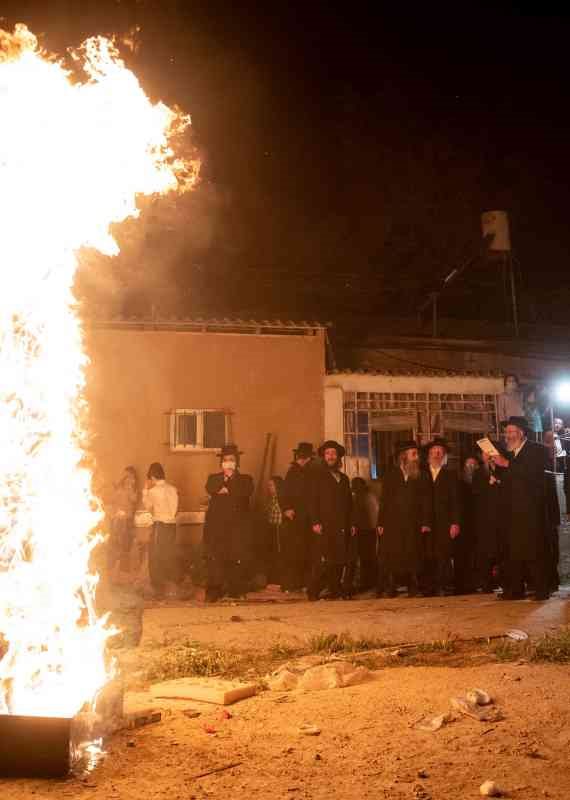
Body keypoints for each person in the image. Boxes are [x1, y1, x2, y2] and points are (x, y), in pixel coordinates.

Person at [492, 416, 551, 601]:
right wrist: (493, 464)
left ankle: (541, 590)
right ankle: (514, 590)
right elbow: (505, 476)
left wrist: (507, 464)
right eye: (506, 432)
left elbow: (532, 473)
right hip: (511, 511)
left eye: (511, 432)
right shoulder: (508, 453)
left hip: (530, 510)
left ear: (521, 432)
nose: (507, 436)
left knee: (534, 550)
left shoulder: (537, 450)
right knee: (513, 551)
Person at [376, 440, 431, 598]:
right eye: (413, 454)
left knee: (413, 554)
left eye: (417, 454)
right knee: (393, 553)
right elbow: (384, 500)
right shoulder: (390, 475)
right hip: (393, 523)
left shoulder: (422, 475)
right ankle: (391, 586)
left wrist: (426, 522)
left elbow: (426, 501)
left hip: (414, 522)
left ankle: (413, 586)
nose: (416, 457)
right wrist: (381, 522)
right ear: (403, 457)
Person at [203, 444, 254, 602]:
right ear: (221, 463)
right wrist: (224, 482)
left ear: (237, 462)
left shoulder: (246, 479)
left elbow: (244, 492)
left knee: (235, 558)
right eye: (225, 460)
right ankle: (214, 590)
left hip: (237, 527)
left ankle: (235, 589)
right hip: (217, 528)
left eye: (231, 460)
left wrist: (227, 486)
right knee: (216, 558)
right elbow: (211, 488)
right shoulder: (213, 478)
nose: (228, 463)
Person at [308, 440, 352, 600]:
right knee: (322, 560)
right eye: (328, 454)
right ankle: (312, 592)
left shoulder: (344, 479)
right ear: (323, 457)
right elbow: (312, 501)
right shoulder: (317, 477)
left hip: (341, 525)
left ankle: (335, 589)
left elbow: (349, 503)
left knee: (339, 559)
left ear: (338, 456)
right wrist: (315, 522)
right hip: (324, 524)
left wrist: (351, 523)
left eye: (334, 453)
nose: (331, 456)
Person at [422, 438, 461, 596]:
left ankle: (444, 586)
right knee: (427, 555)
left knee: (444, 555)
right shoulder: (421, 473)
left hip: (445, 522)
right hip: (425, 522)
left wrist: (455, 523)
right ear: (429, 454)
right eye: (434, 452)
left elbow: (456, 501)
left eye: (440, 452)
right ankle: (428, 587)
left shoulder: (451, 475)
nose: (437, 455)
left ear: (444, 455)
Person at [280, 442, 316, 591]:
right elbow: (284, 493)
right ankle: (293, 584)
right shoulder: (292, 472)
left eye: (305, 457)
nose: (302, 460)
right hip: (294, 518)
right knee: (294, 551)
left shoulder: (315, 472)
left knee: (310, 550)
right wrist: (287, 508)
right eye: (300, 457)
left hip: (311, 517)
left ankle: (309, 584)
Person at [142, 462, 179, 598]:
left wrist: (145, 490)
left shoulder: (153, 491)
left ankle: (158, 588)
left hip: (160, 525)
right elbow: (175, 510)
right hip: (172, 525)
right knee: (169, 553)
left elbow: (147, 506)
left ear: (152, 476)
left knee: (156, 556)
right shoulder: (173, 489)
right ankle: (171, 586)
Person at [472, 449, 506, 592]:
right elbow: (475, 491)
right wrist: (488, 483)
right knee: (485, 552)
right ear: (482, 456)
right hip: (485, 518)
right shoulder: (479, 472)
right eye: (485, 454)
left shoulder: (503, 470)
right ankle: (486, 584)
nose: (489, 456)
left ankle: (504, 582)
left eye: (491, 453)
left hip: (501, 516)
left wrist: (497, 481)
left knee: (502, 551)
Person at [349, 477, 379, 594]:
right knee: (369, 557)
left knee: (365, 558)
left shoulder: (360, 498)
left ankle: (367, 582)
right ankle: (371, 581)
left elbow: (358, 515)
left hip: (364, 531)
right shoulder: (370, 496)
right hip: (370, 530)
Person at [455, 455, 480, 594]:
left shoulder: (480, 482)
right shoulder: (459, 483)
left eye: (474, 465)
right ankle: (461, 585)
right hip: (463, 524)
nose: (471, 468)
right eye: (468, 465)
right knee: (462, 556)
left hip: (477, 524)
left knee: (475, 555)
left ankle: (475, 583)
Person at [108, 465, 138, 575]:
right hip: (116, 519)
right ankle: (112, 568)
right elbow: (112, 500)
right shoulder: (119, 487)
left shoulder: (131, 488)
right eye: (125, 474)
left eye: (129, 475)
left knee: (124, 545)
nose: (126, 476)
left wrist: (130, 487)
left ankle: (123, 570)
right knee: (114, 543)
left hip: (126, 520)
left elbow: (134, 500)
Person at [263, 475, 284, 585]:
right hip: (271, 528)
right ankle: (273, 579)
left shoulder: (282, 498)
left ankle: (279, 579)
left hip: (279, 528)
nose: (269, 488)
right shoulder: (271, 499)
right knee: (272, 553)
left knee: (279, 553)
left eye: (271, 485)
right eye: (268, 486)